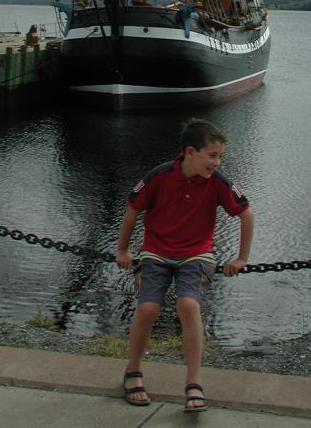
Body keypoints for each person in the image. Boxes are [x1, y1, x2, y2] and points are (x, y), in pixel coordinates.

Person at [115, 118, 254, 413]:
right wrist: (123, 249)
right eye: (212, 155)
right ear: (191, 152)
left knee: (188, 306)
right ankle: (134, 370)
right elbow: (132, 209)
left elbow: (246, 214)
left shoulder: (218, 183)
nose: (217, 163)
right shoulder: (160, 176)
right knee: (147, 309)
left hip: (196, 253)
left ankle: (194, 381)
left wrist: (241, 257)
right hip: (156, 251)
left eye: (220, 157)